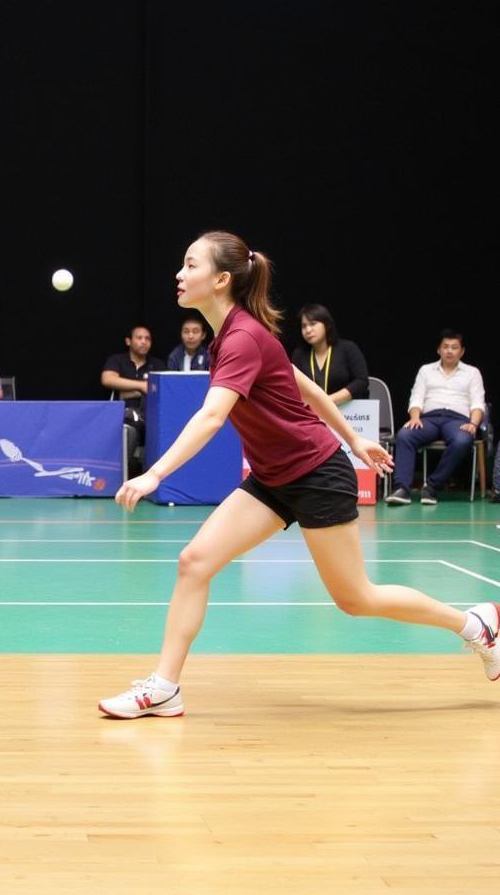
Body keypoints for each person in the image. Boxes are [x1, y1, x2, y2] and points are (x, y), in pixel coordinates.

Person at [98, 231, 499, 719]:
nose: (179, 275)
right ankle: (165, 686)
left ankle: (475, 624)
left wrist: (153, 474)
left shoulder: (242, 336)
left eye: (190, 265)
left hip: (315, 475)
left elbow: (210, 417)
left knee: (356, 598)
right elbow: (304, 385)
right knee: (195, 562)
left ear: (221, 279)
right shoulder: (235, 333)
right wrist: (354, 439)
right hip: (273, 478)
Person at [385, 330, 485, 506]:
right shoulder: (426, 370)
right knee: (405, 435)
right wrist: (415, 417)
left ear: (462, 351)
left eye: (454, 347)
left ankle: (431, 487)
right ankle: (402, 490)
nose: (449, 351)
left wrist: (473, 424)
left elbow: (478, 404)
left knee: (463, 440)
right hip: (428, 419)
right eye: (445, 346)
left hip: (457, 420)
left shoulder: (472, 372)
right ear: (438, 349)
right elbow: (416, 398)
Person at [101, 326, 164, 470]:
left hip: (149, 415)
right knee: (129, 426)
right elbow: (108, 379)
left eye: (147, 339)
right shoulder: (117, 360)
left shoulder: (158, 364)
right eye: (139, 338)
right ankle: (118, 474)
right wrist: (142, 387)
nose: (144, 342)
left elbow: (159, 391)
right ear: (128, 341)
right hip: (122, 414)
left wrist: (127, 390)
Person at [290, 303, 368, 404]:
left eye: (313, 324)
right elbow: (294, 387)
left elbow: (361, 381)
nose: (308, 330)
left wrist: (329, 401)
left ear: (327, 325)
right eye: (304, 326)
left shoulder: (348, 348)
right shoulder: (299, 355)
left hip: (349, 414)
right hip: (312, 413)